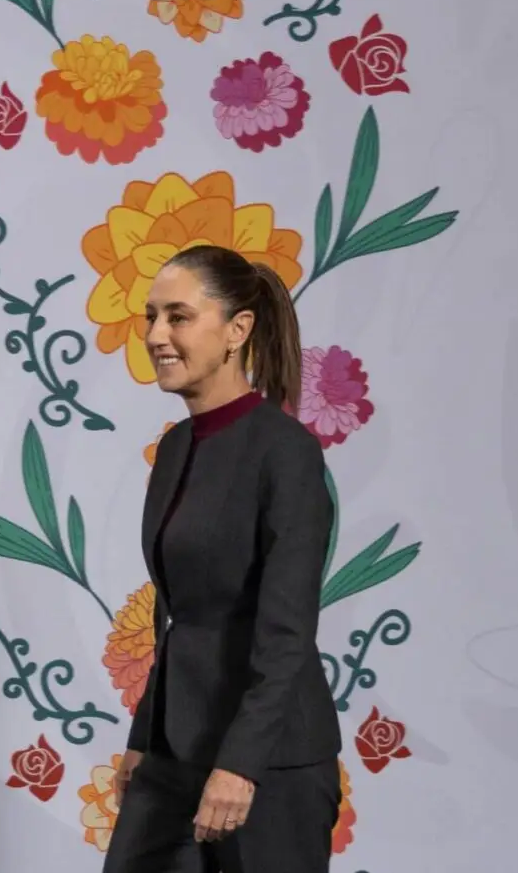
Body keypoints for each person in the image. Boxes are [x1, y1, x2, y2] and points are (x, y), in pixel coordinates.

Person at [102, 244, 341, 873]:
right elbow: (180, 619)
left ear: (237, 330)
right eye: (151, 317)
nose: (156, 335)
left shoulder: (285, 453)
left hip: (269, 764)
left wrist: (240, 765)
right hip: (174, 750)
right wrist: (142, 739)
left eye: (178, 317)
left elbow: (286, 631)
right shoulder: (176, 448)